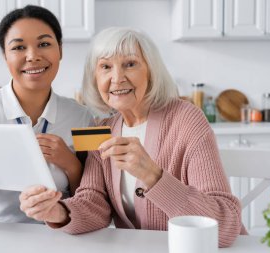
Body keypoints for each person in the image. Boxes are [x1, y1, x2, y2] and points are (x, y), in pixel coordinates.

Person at [18, 27, 246, 247]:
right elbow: (93, 202)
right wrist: (57, 211)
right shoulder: (102, 129)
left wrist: (152, 175)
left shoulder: (187, 118)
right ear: (95, 79)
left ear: (151, 71)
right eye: (105, 67)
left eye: (130, 64)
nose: (117, 78)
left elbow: (225, 226)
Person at [0, 5, 94, 223]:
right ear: (5, 55)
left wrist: (70, 164)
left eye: (44, 44)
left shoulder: (83, 117)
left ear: (60, 50)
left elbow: (91, 199)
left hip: (62, 235)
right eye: (19, 47)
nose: (32, 56)